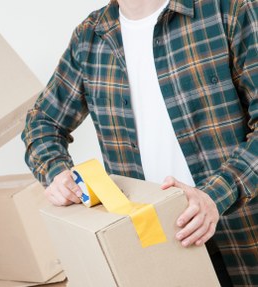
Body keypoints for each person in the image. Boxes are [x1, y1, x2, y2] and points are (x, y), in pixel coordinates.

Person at [22, 0, 256, 286]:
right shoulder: (90, 37)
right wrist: (56, 173)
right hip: (155, 249)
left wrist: (215, 196)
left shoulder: (230, 9)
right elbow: (42, 122)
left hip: (244, 237)